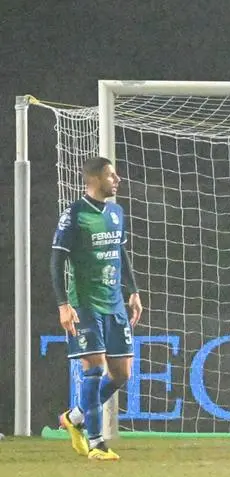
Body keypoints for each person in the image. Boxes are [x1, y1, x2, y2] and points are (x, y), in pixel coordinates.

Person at [51, 156, 143, 461]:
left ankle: (74, 418)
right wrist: (64, 305)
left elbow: (121, 252)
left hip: (115, 302)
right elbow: (57, 260)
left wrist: (133, 292)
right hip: (86, 303)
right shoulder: (74, 214)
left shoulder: (117, 212)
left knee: (121, 374)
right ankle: (97, 443)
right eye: (110, 176)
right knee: (95, 368)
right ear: (93, 180)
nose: (117, 180)